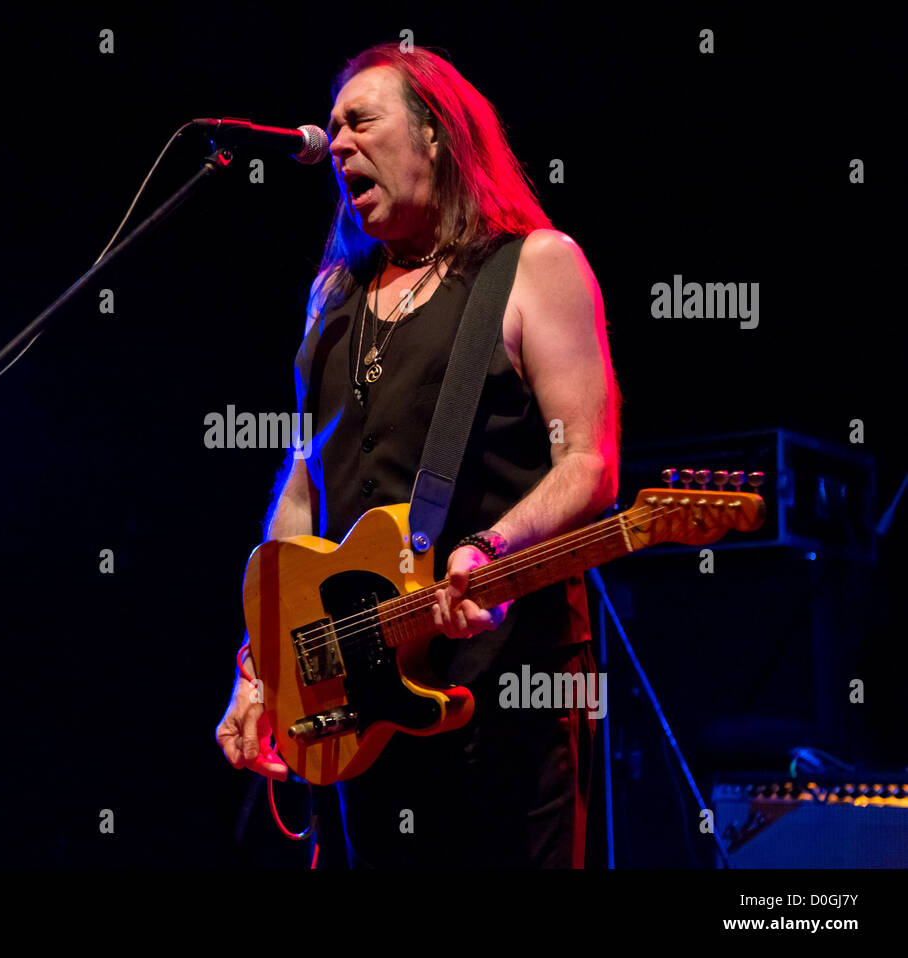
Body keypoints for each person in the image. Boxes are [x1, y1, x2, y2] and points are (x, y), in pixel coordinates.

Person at [216, 44, 621, 867]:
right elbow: (302, 484)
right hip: (362, 700)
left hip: (507, 680)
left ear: (434, 132)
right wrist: (258, 665)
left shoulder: (535, 266)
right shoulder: (333, 298)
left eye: (359, 121)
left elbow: (590, 461)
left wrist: (489, 548)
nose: (335, 145)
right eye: (331, 129)